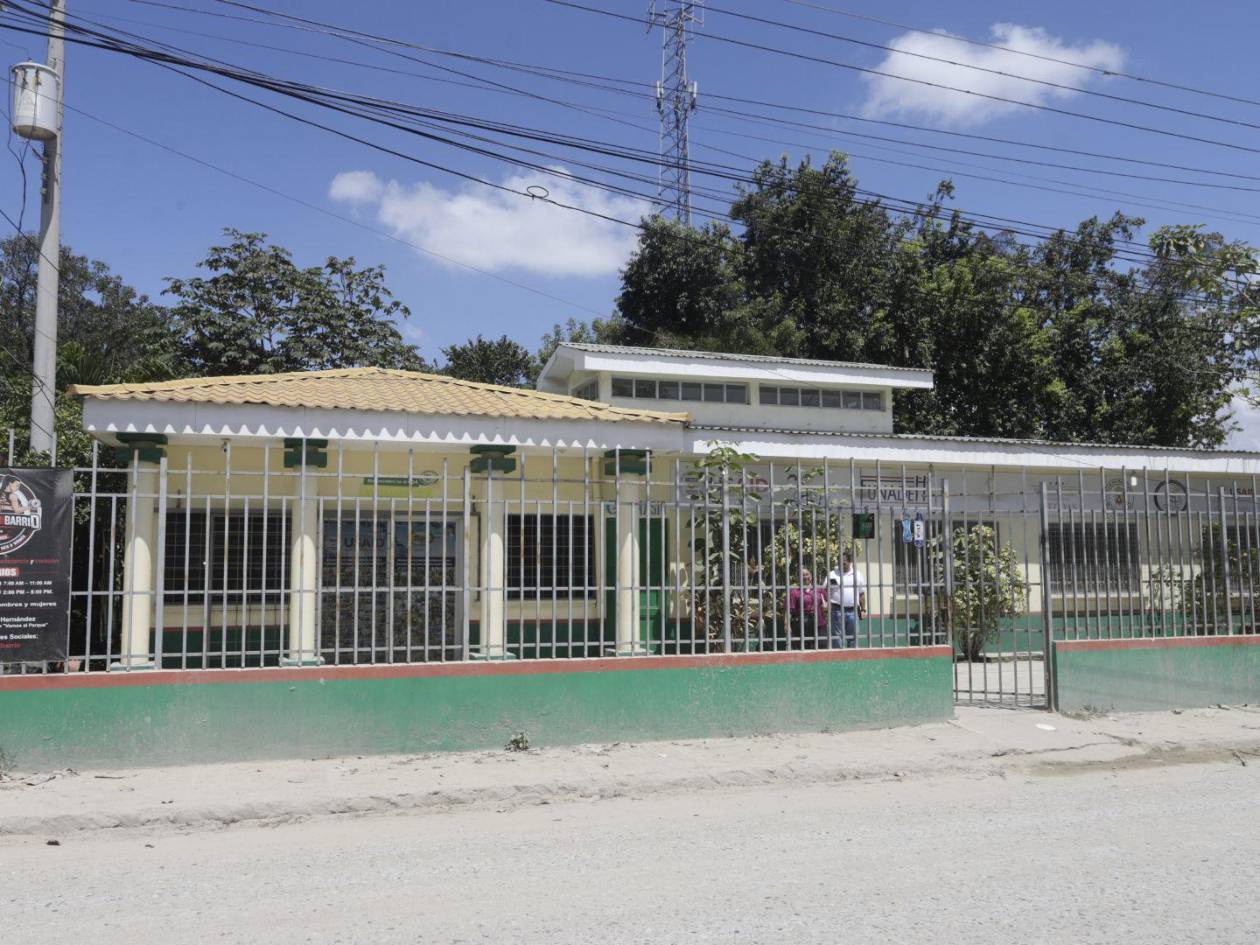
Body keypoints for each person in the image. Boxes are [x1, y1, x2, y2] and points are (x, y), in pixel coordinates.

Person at [825, 552, 865, 649]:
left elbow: (862, 594)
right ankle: (838, 656)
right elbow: (825, 591)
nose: (841, 565)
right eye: (840, 563)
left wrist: (863, 609)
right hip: (836, 609)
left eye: (844, 563)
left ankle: (852, 655)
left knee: (853, 636)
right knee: (837, 636)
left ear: (850, 562)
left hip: (853, 610)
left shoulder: (857, 575)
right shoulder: (832, 574)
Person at [785, 568, 827, 650]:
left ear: (811, 576)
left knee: (822, 646)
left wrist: (826, 606)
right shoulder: (794, 592)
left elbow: (827, 602)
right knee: (805, 649)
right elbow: (788, 610)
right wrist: (787, 624)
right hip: (802, 625)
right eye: (802, 575)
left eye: (807, 574)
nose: (805, 577)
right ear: (798, 578)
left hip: (819, 623)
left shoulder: (819, 589)